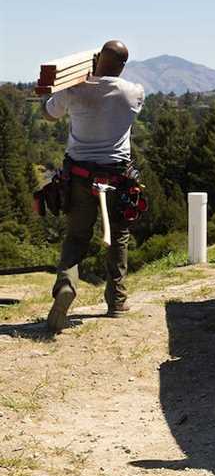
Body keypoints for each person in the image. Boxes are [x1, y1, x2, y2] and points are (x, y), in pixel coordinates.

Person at [42, 40, 146, 333]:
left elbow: (49, 114)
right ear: (123, 65)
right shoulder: (133, 92)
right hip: (117, 176)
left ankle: (66, 286)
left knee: (76, 237)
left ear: (97, 58)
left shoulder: (73, 90)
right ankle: (117, 301)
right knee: (119, 234)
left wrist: (73, 81)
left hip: (79, 175)